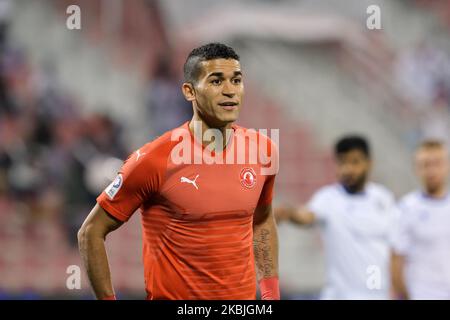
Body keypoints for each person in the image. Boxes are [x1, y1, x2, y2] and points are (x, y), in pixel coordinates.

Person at [77, 43, 280, 300]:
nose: (230, 91)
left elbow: (262, 221)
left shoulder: (263, 150)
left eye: (236, 80)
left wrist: (271, 295)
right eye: (216, 81)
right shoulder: (154, 159)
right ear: (189, 91)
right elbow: (91, 232)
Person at [276, 136, 397, 299]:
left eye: (355, 162)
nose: (348, 169)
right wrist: (289, 213)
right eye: (342, 162)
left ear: (369, 163)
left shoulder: (384, 198)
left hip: (378, 294)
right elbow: (306, 216)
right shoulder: (328, 198)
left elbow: (396, 247)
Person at [391, 140, 450, 299]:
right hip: (421, 294)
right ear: (416, 169)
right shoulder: (405, 209)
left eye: (437, 163)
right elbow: (396, 260)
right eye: (425, 164)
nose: (431, 170)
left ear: (447, 166)